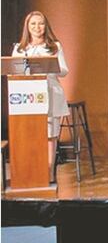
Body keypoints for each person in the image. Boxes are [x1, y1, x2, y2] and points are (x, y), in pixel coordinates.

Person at [12, 11, 69, 172]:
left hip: (50, 93)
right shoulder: (20, 49)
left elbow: (64, 70)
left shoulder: (54, 46)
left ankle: (49, 172)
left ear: (46, 26)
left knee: (50, 133)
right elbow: (13, 71)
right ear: (27, 27)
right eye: (33, 24)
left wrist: (50, 66)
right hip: (26, 98)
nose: (37, 27)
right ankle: (30, 172)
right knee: (28, 134)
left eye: (40, 23)